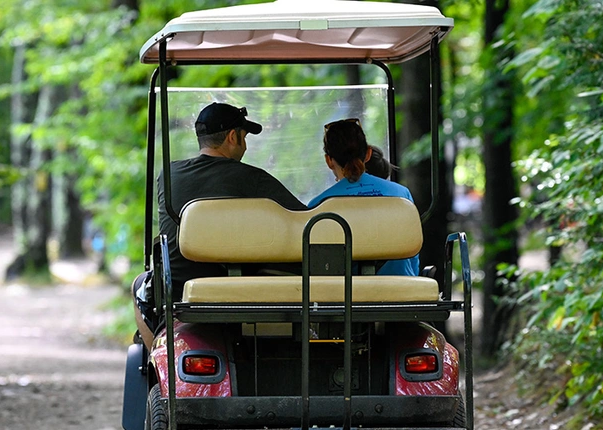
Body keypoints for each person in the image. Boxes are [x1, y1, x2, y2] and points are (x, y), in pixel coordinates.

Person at [135, 102, 306, 348]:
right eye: (244, 137)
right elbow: (303, 218)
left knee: (139, 284)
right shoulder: (252, 178)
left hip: (177, 288)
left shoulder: (169, 174)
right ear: (233, 136)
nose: (245, 145)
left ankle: (161, 352)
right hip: (234, 284)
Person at [308, 118, 419, 276]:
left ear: (329, 161)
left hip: (344, 296)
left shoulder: (318, 205)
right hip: (400, 291)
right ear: (368, 153)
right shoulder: (401, 195)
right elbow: (413, 259)